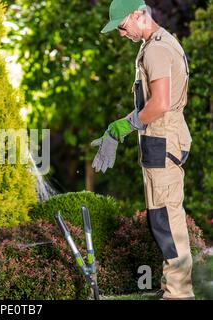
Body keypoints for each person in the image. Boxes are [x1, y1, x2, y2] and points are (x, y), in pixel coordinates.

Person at [92, 0, 194, 300]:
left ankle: (178, 294)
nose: (121, 34)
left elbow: (160, 104)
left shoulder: (157, 49)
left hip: (162, 141)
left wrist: (124, 127)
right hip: (159, 140)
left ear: (138, 15)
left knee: (166, 219)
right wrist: (116, 128)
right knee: (162, 217)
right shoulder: (153, 44)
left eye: (122, 27)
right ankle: (173, 288)